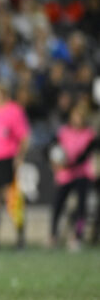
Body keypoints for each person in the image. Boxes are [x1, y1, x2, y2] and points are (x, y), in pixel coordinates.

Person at [0, 81, 30, 250]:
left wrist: (20, 156)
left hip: (7, 158)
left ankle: (20, 238)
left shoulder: (14, 111)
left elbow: (24, 137)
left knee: (11, 199)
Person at [49, 104, 96, 251]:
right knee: (57, 205)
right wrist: (55, 162)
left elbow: (84, 155)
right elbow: (51, 147)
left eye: (80, 117)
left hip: (82, 174)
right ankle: (53, 235)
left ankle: (78, 236)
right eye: (75, 116)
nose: (77, 119)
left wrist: (67, 164)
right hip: (65, 176)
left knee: (81, 208)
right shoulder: (63, 132)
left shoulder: (89, 134)